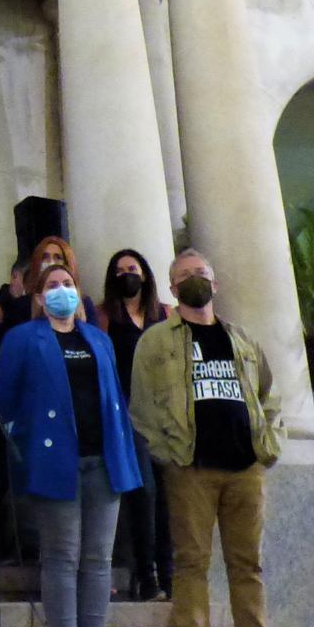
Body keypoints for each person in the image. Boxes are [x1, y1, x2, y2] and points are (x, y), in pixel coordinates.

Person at [129, 248, 314, 627]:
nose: (195, 279)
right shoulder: (156, 341)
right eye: (185, 275)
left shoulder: (241, 339)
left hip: (244, 468)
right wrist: (168, 452)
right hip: (191, 468)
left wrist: (268, 444)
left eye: (201, 273)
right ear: (173, 289)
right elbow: (141, 406)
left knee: (247, 565)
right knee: (191, 564)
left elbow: (269, 396)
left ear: (215, 284)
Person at [0, 260, 141, 627]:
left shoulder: (98, 338)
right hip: (55, 462)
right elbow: (5, 401)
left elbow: (114, 395)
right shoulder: (24, 338)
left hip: (104, 459)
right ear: (39, 298)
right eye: (53, 286)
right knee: (62, 559)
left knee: (98, 562)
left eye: (68, 284)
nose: (62, 291)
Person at [98, 247, 171, 602]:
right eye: (121, 269)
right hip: (127, 413)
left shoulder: (165, 316)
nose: (128, 273)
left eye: (133, 267)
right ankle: (145, 573)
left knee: (168, 496)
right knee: (143, 493)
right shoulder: (105, 317)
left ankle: (168, 573)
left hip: (166, 416)